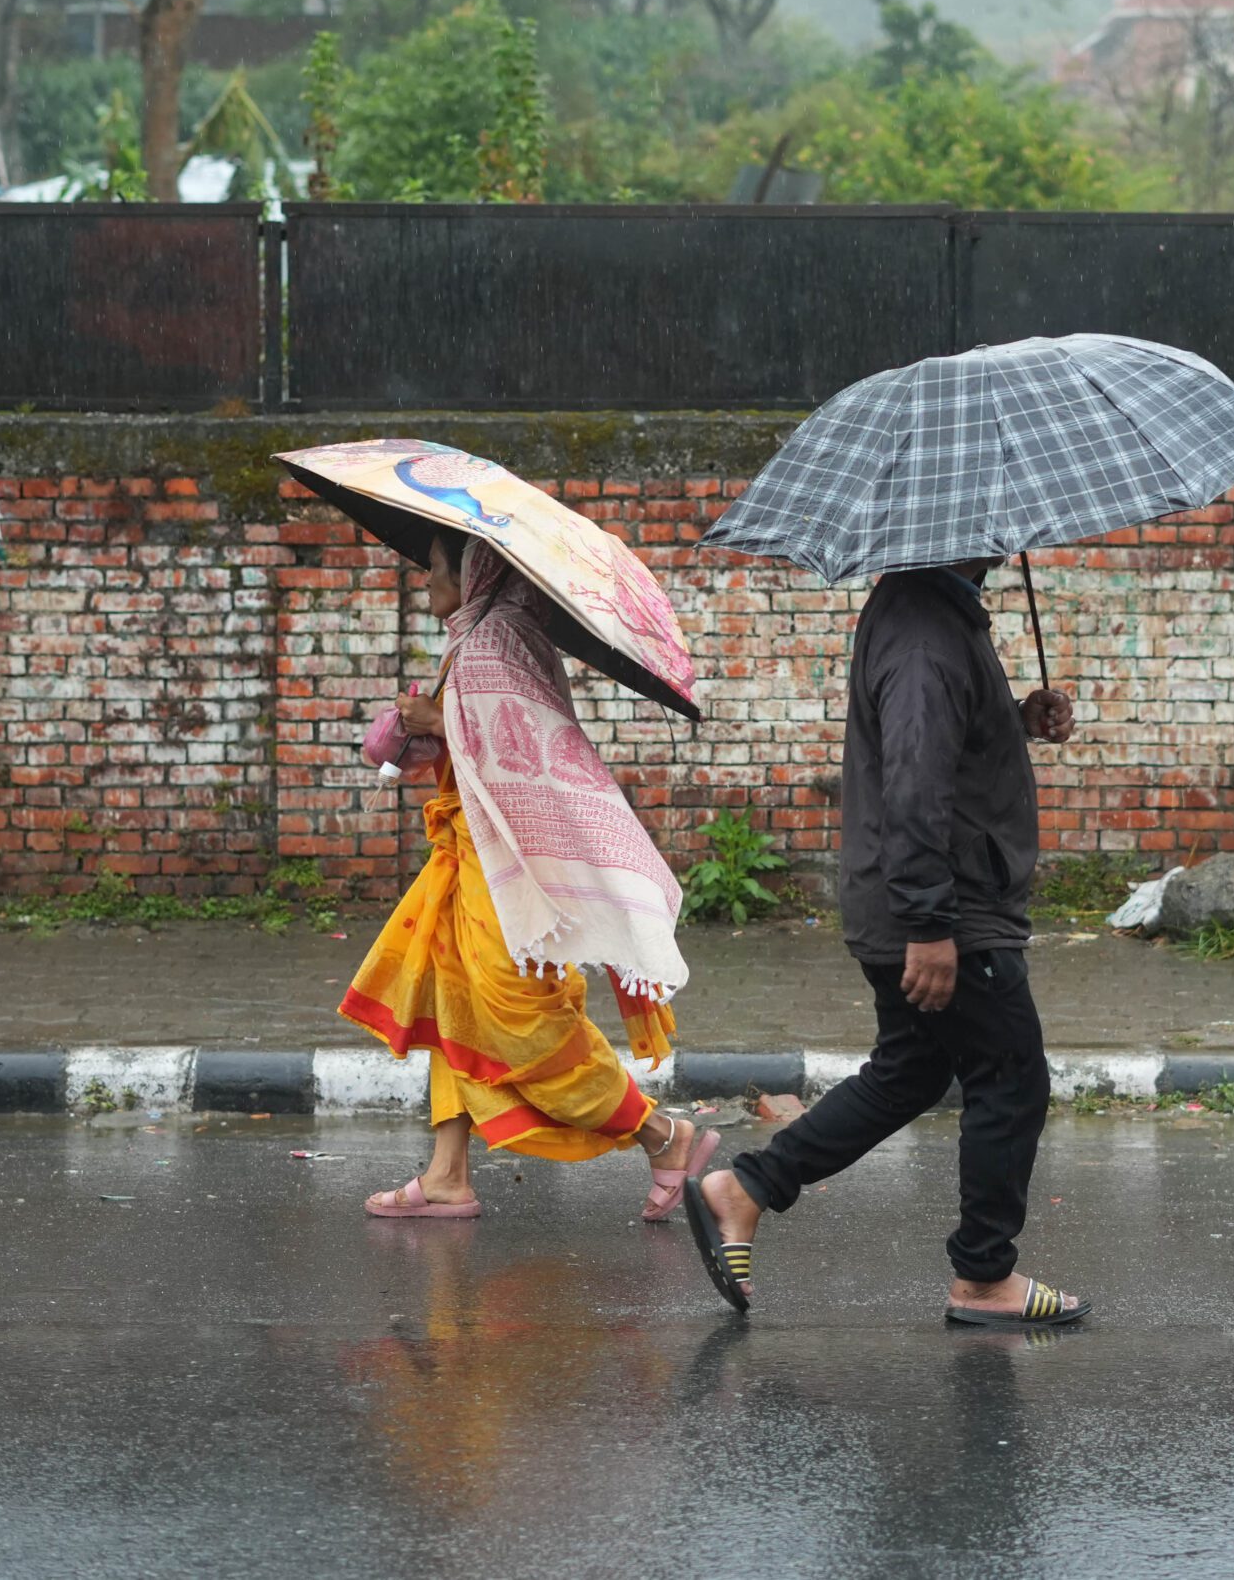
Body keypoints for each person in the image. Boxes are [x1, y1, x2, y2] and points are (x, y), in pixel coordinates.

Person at [684, 560, 1090, 1327]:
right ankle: (983, 1276)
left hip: (923, 896)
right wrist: (931, 925)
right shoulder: (926, 633)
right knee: (1011, 1077)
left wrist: (1014, 715)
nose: (999, 540)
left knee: (913, 1069)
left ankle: (744, 1188)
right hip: (949, 909)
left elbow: (939, 736)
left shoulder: (929, 611)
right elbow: (915, 779)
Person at [337, 531, 717, 1220]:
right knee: (452, 1000)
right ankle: (448, 1173)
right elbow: (480, 737)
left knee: (522, 1021)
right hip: (467, 859)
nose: (425, 583)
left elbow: (517, 747)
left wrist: (441, 719)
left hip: (509, 870)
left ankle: (663, 1133)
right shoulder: (477, 636)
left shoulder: (494, 642)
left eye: (436, 570)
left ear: (471, 574)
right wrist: (420, 725)